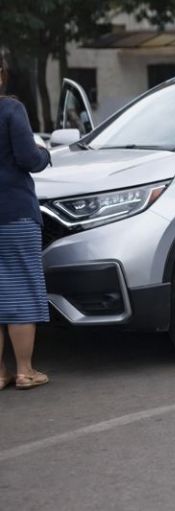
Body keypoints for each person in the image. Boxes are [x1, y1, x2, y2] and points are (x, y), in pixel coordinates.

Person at [0, 64, 52, 390]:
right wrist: (44, 154)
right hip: (14, 213)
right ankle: (24, 371)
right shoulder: (10, 109)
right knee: (21, 290)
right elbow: (28, 158)